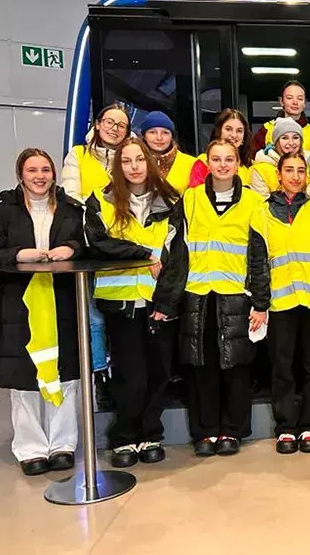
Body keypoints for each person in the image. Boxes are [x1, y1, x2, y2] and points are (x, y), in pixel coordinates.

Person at [0, 148, 84, 476]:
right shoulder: (2, 211)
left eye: (45, 170)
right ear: (20, 175)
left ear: (53, 174)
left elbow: (91, 243)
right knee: (24, 378)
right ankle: (31, 447)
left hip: (63, 301)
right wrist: (19, 255)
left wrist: (73, 249)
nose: (39, 176)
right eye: (32, 170)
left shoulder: (71, 210)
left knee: (67, 376)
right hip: (17, 305)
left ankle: (63, 445)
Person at [85, 136, 186, 468]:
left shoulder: (171, 201)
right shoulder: (101, 201)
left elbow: (179, 256)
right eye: (126, 161)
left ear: (150, 162)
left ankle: (150, 433)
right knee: (130, 374)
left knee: (159, 372)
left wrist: (168, 302)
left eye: (139, 160)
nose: (134, 167)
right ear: (118, 165)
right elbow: (100, 245)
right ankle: (125, 437)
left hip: (158, 302)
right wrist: (141, 254)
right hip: (122, 303)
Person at [249, 150, 310, 454]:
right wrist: (261, 303)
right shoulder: (261, 212)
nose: (295, 176)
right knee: (282, 367)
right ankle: (286, 427)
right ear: (278, 175)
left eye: (301, 171)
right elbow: (258, 262)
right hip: (280, 303)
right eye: (289, 170)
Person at [178, 139, 265, 457]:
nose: (223, 164)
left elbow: (259, 255)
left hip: (236, 295)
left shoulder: (254, 202)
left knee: (237, 366)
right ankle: (205, 432)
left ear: (238, 163)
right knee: (202, 366)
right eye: (217, 159)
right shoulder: (190, 199)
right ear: (208, 163)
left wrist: (261, 301)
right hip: (198, 295)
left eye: (229, 159)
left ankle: (233, 430)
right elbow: (178, 250)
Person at [59, 104, 131, 409]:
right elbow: (70, 193)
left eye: (122, 125)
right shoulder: (78, 155)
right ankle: (101, 378)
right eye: (110, 122)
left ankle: (126, 373)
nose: (115, 129)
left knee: (128, 317)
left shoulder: (132, 155)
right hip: (92, 245)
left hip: (127, 247)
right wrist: (99, 212)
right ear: (98, 124)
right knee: (95, 318)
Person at [251, 81, 310, 157]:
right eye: (289, 98)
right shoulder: (266, 129)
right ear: (281, 101)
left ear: (304, 103)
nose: (295, 102)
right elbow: (252, 158)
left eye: (300, 98)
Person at [189, 108, 253, 188]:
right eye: (228, 129)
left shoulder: (250, 165)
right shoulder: (203, 162)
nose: (234, 135)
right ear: (219, 131)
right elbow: (195, 196)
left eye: (239, 131)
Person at [138, 111, 195, 195]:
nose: (159, 138)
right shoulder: (134, 161)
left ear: (172, 136)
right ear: (144, 136)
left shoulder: (191, 163)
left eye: (165, 133)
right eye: (152, 132)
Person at [251, 117, 304, 199]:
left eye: (295, 137)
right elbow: (260, 205)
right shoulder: (260, 170)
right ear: (276, 142)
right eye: (285, 138)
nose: (291, 143)